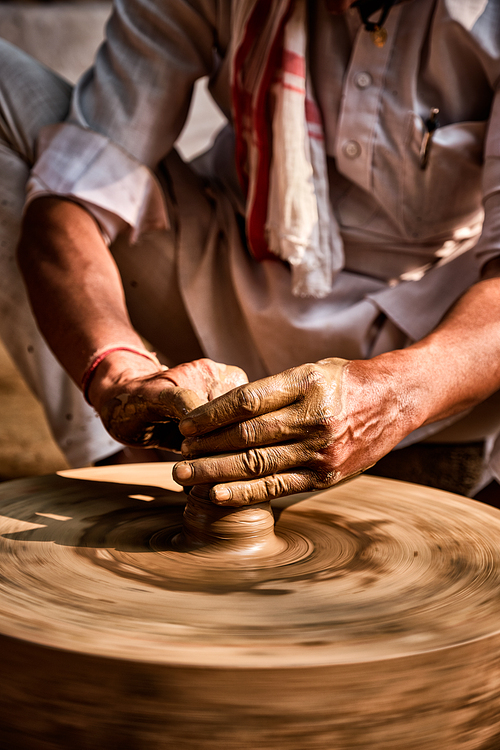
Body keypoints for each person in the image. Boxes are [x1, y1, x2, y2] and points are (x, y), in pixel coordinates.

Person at [2, 0, 500, 505]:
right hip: (224, 290)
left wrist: (393, 395)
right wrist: (118, 375)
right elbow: (69, 204)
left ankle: (465, 485)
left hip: (436, 353)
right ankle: (123, 474)